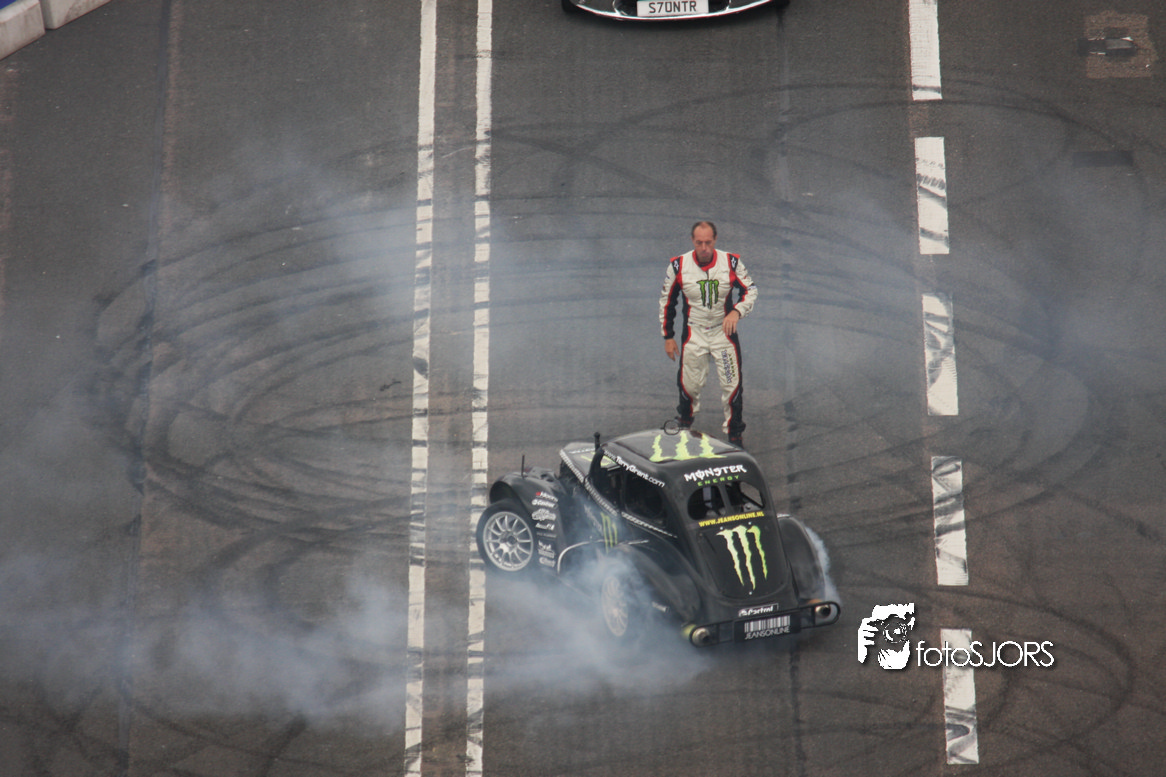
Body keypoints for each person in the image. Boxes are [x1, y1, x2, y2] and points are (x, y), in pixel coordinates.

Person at [659, 221, 757, 446]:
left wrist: (736, 312)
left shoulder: (731, 262)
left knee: (732, 384)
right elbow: (667, 301)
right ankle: (684, 423)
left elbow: (750, 289)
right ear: (692, 241)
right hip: (694, 332)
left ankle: (735, 435)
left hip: (723, 333)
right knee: (689, 384)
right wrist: (668, 336)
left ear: (715, 240)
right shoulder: (678, 266)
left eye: (708, 242)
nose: (704, 248)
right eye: (699, 243)